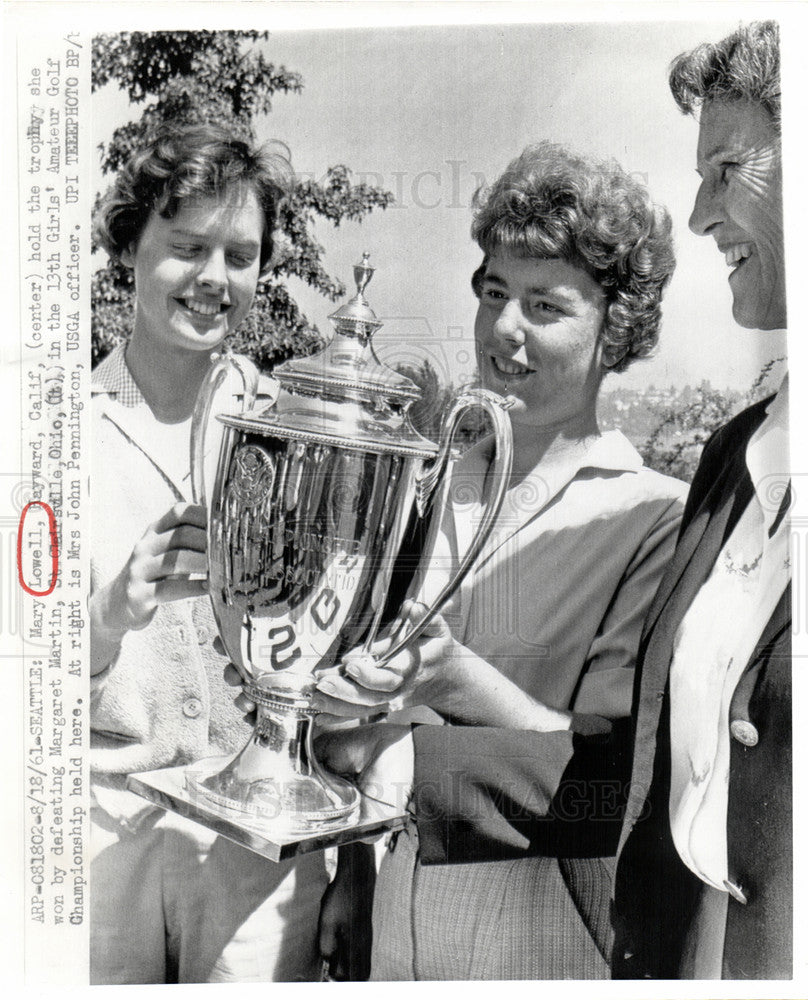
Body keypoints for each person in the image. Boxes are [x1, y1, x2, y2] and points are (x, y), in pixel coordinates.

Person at [314, 142, 687, 979]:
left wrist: (454, 679)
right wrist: (347, 875)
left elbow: (606, 779)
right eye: (493, 295)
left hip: (541, 934)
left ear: (614, 328)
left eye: (544, 306)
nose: (504, 331)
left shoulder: (651, 515)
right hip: (397, 918)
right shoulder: (438, 477)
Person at [88, 121, 338, 984]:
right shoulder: (52, 435)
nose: (213, 278)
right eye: (186, 247)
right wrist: (109, 616)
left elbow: (337, 661)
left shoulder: (299, 435)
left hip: (258, 852)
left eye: (240, 254)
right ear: (128, 249)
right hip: (97, 838)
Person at [612, 21, 791, 980]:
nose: (697, 215)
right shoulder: (734, 453)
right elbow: (655, 763)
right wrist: (408, 765)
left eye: (727, 167)